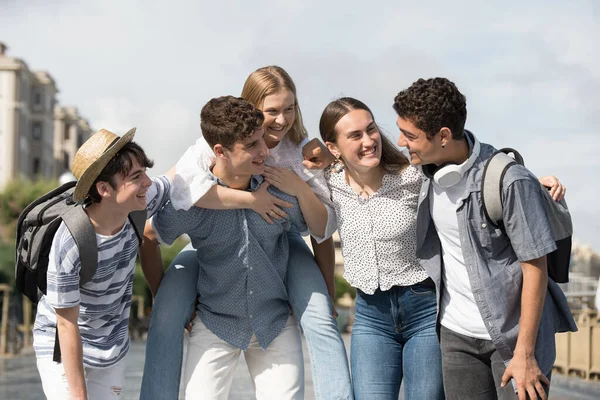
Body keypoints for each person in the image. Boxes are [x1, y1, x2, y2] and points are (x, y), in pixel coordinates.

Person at [140, 66, 352, 400]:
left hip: (276, 303)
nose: (279, 124)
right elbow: (154, 222)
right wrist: (159, 292)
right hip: (215, 312)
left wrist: (325, 285)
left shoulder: (291, 163)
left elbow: (321, 230)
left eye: (288, 109)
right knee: (166, 317)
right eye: (271, 112)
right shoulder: (200, 165)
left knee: (321, 318)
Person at [394, 77, 577, 400]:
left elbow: (536, 268)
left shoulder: (508, 180)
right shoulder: (427, 173)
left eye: (410, 135)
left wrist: (525, 354)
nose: (400, 141)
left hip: (514, 340)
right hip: (456, 338)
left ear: (444, 136)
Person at [32, 129, 171, 399]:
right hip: (61, 346)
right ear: (104, 189)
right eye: (135, 177)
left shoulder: (137, 206)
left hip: (111, 347)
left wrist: (253, 200)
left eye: (145, 171)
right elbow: (66, 325)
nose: (148, 183)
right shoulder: (71, 240)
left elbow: (184, 173)